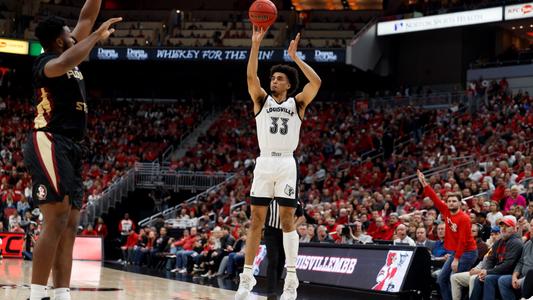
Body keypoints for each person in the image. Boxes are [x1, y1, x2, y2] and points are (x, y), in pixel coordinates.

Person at [23, 2, 121, 299]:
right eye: (69, 34)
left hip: (73, 146)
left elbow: (87, 16)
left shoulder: (68, 49)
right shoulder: (47, 64)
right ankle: (37, 293)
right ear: (58, 41)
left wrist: (94, 20)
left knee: (70, 224)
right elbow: (68, 61)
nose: (74, 36)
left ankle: (62, 292)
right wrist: (97, 37)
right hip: (49, 140)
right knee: (56, 218)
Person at [235, 26, 321, 300]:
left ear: (288, 84)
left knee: (287, 221)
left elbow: (316, 82)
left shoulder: (297, 104)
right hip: (264, 163)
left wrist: (296, 58)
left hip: (286, 164)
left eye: (279, 78)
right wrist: (255, 44)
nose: (273, 81)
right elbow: (250, 75)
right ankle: (246, 279)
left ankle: (291, 280)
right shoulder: (261, 100)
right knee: (256, 222)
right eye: (272, 78)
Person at [418, 170, 478, 300]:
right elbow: (435, 198)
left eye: (454, 201)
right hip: (455, 252)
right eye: (449, 201)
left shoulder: (464, 218)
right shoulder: (446, 211)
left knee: (454, 280)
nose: (450, 203)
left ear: (459, 203)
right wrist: (424, 183)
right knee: (441, 279)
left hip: (467, 252)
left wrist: (456, 259)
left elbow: (462, 240)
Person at [470, 216, 523, 300]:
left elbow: (507, 265)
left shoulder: (516, 242)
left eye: (507, 226)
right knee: (479, 278)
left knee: (489, 278)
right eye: (502, 226)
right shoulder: (499, 241)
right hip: (499, 271)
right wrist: (485, 271)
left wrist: (488, 272)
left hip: (510, 273)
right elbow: (491, 259)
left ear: (514, 229)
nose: (503, 228)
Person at [264, 200, 305, 299]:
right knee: (273, 260)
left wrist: (292, 227)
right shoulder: (270, 197)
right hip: (271, 232)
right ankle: (271, 292)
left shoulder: (294, 198)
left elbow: (301, 217)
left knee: (281, 262)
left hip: (286, 233)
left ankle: (275, 288)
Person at [497, 218, 533, 299]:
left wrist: (520, 280)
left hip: (529, 279)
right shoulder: (528, 244)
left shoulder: (516, 242)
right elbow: (520, 262)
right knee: (503, 280)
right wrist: (514, 276)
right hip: (520, 276)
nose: (532, 228)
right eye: (531, 225)